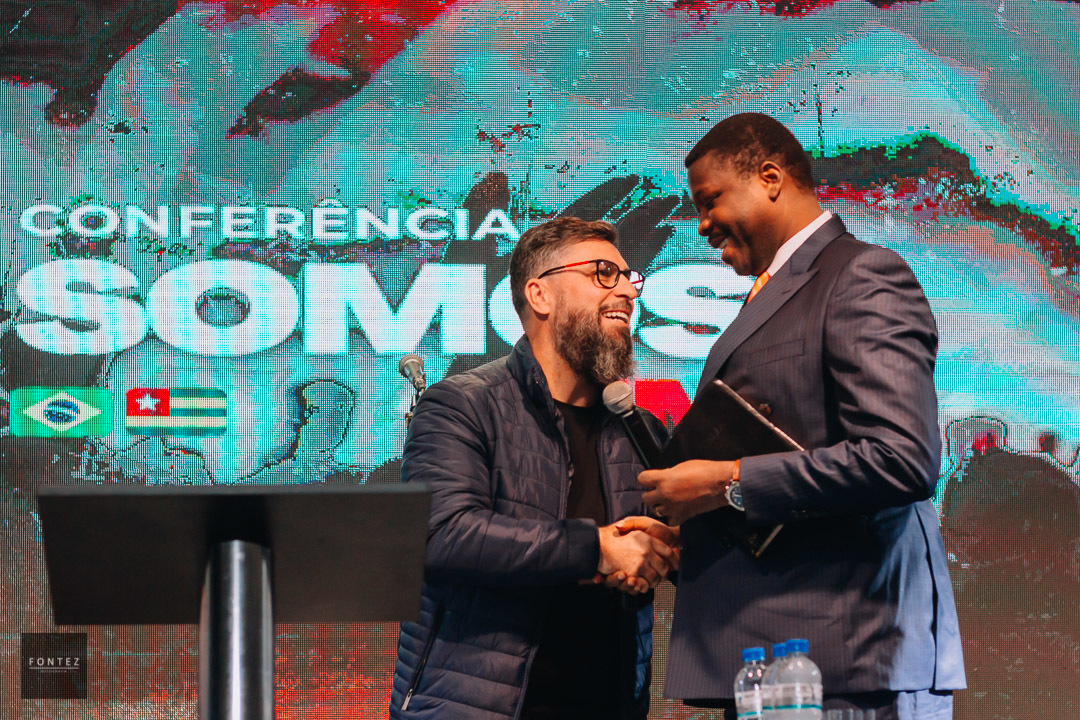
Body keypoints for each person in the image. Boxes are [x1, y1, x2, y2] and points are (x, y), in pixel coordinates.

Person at [633, 113, 966, 719]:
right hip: (780, 664)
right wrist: (698, 531)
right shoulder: (776, 291)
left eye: (710, 201)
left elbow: (902, 459)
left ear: (770, 178)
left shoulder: (861, 275)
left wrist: (726, 482)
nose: (701, 224)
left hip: (848, 663)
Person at [389, 216, 679, 720]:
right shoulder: (462, 405)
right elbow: (440, 536)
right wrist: (597, 549)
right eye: (603, 273)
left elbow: (677, 547)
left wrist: (665, 550)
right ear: (539, 294)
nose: (628, 292)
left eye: (629, 278)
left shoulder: (643, 430)